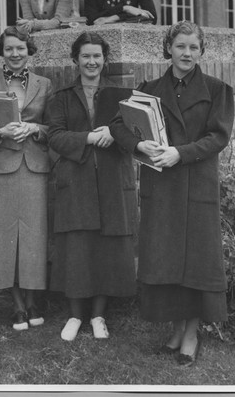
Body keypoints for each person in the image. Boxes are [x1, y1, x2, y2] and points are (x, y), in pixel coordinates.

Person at [110, 21, 234, 366]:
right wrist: (139, 143)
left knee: (194, 261)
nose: (187, 54)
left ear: (202, 51)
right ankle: (177, 330)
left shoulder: (217, 89)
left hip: (196, 185)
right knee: (167, 260)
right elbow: (118, 125)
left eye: (194, 47)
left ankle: (191, 334)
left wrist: (181, 152)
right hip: (161, 188)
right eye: (180, 46)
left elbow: (218, 137)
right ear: (168, 49)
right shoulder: (149, 88)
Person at [47, 31, 138, 341]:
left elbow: (135, 131)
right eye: (85, 55)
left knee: (106, 247)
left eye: (97, 55)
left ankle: (99, 315)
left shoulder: (122, 96)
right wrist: (86, 137)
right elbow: (55, 136)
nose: (91, 61)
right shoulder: (61, 97)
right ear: (76, 59)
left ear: (105, 59)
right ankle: (75, 315)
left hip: (112, 179)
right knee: (77, 247)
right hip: (76, 182)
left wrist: (116, 134)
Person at [0, 26, 53, 330]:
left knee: (34, 236)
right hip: (0, 168)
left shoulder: (45, 84)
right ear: (1, 52)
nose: (15, 54)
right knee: (6, 237)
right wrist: (0, 132)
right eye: (9, 49)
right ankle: (17, 304)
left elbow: (55, 127)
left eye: (20, 48)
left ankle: (34, 301)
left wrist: (35, 129)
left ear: (29, 49)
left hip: (34, 165)